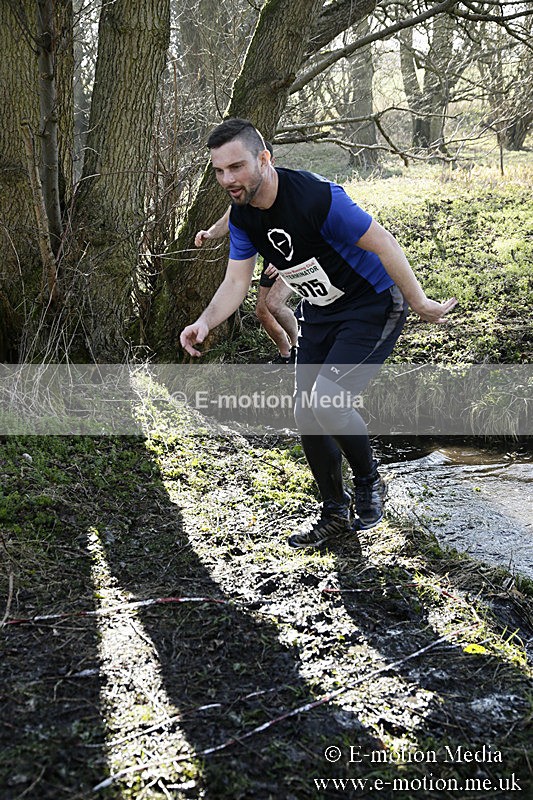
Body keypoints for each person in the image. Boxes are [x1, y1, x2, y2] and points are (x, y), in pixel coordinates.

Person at [181, 118, 457, 549]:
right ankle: (333, 512)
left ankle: (369, 481)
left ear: (264, 159)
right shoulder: (241, 216)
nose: (227, 180)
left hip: (373, 303)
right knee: (306, 413)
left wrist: (419, 302)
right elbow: (236, 282)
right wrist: (204, 321)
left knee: (328, 401)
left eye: (236, 167)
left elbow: (383, 242)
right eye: (219, 171)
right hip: (323, 310)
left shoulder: (316, 197)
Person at [195, 142, 298, 364]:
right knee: (262, 311)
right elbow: (228, 219)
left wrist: (284, 262)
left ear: (267, 161)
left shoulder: (288, 191)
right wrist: (209, 233)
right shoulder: (243, 198)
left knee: (274, 304)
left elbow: (307, 232)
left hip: (296, 256)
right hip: (272, 258)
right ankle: (287, 355)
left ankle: (301, 347)